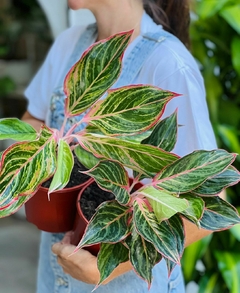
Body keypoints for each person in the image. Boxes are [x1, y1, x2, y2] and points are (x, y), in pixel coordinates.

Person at [22, 0, 218, 292]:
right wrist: (54, 146)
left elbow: (210, 207)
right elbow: (32, 120)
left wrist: (109, 267)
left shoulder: (168, 64)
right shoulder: (69, 44)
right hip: (56, 279)